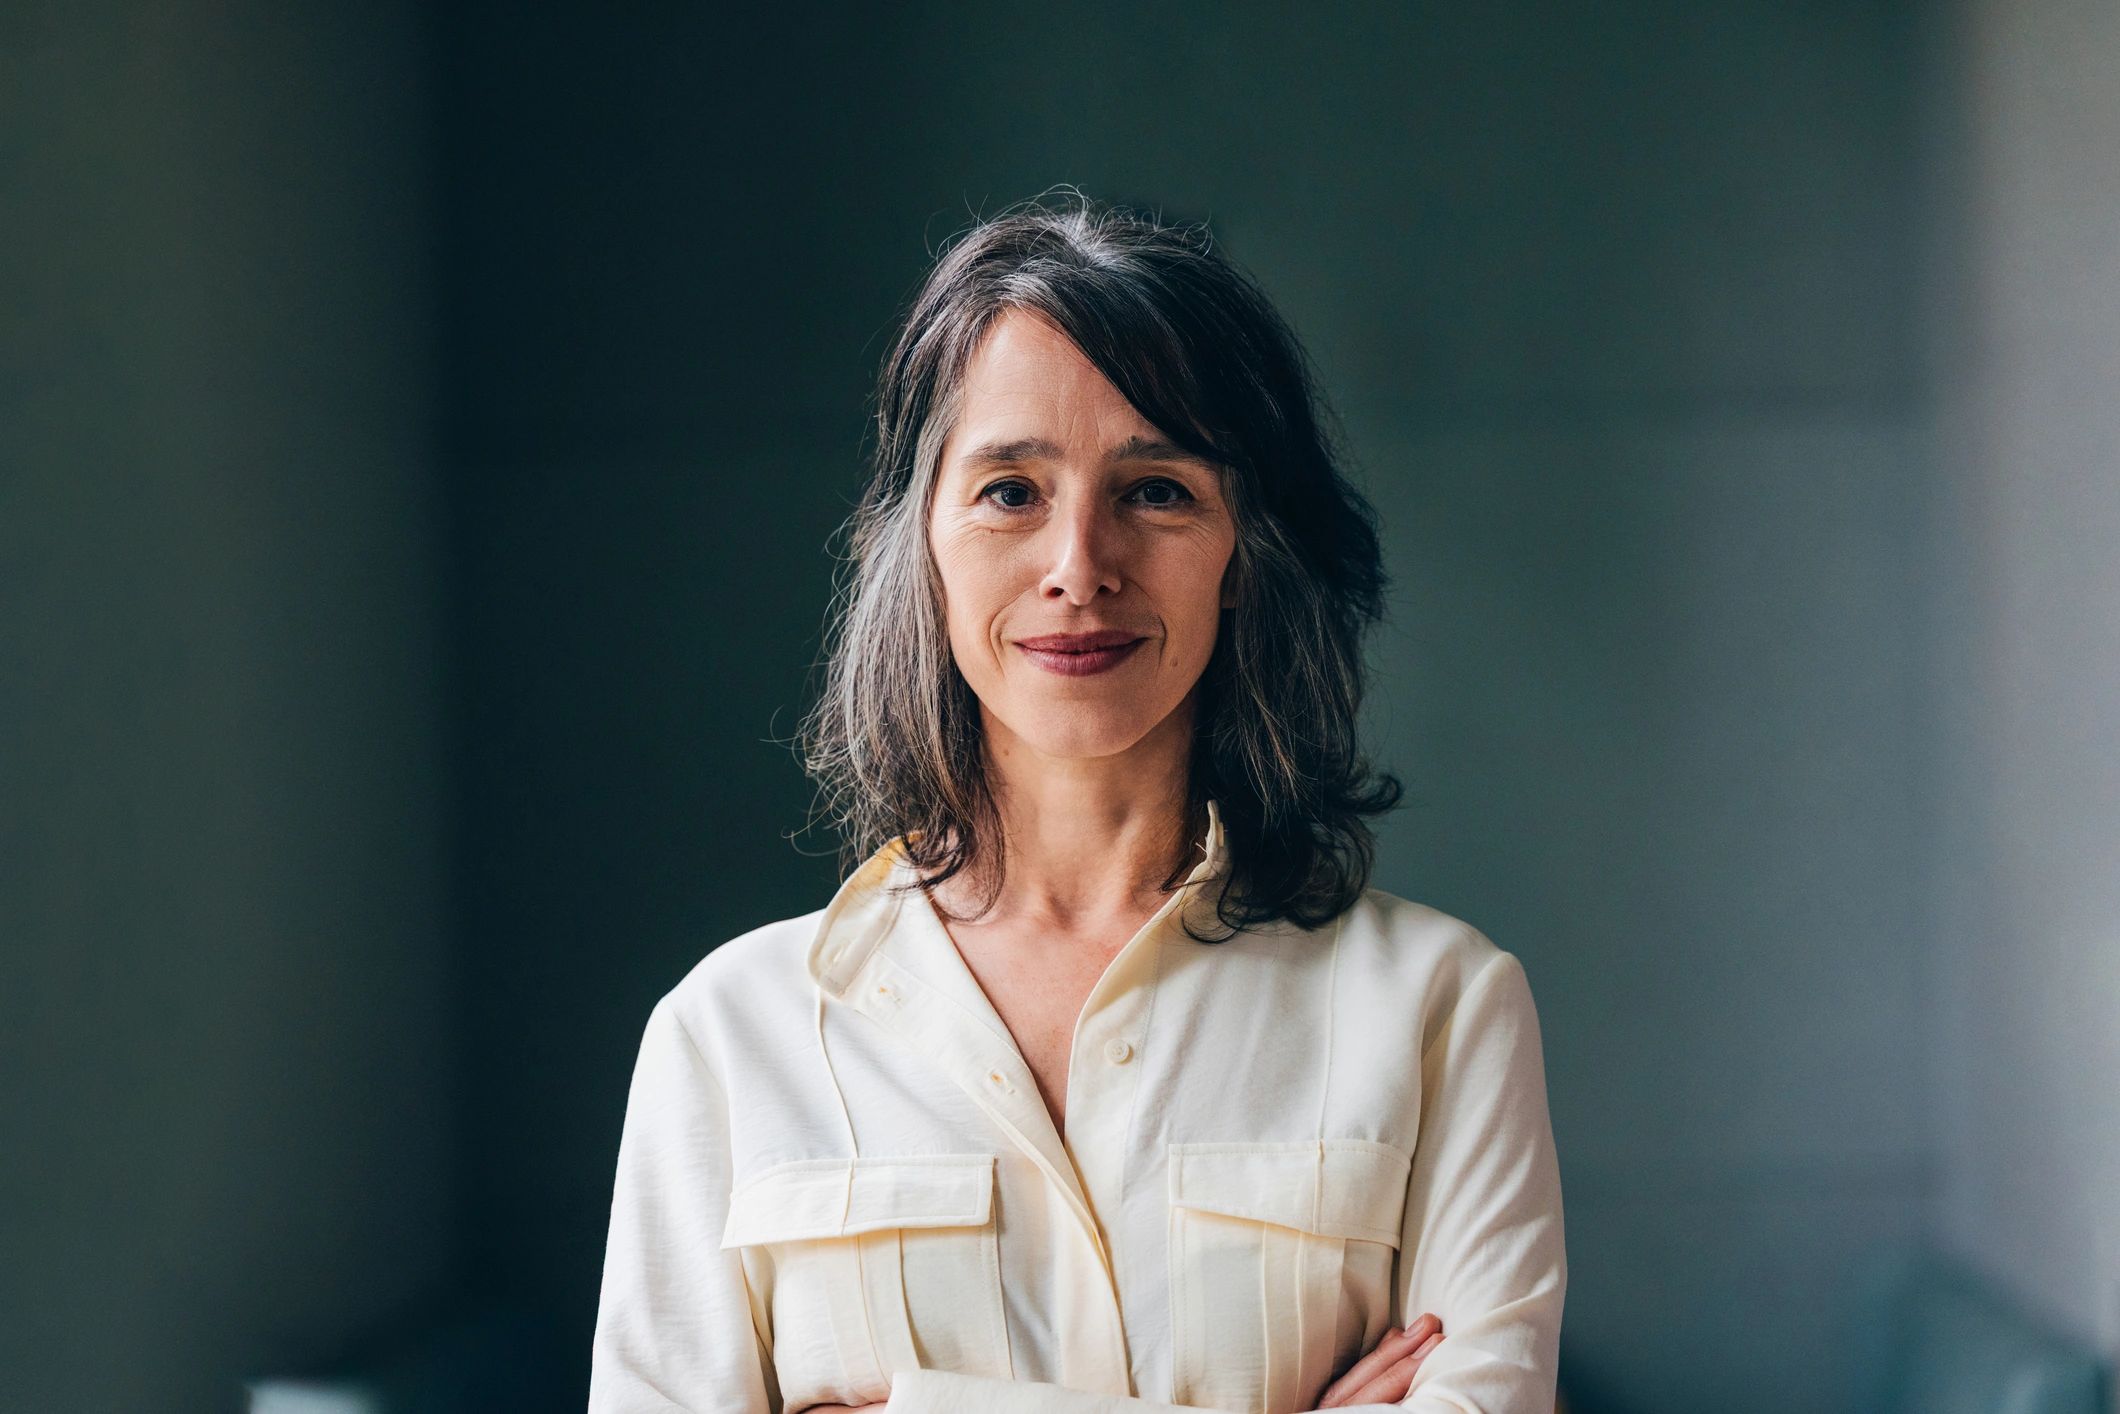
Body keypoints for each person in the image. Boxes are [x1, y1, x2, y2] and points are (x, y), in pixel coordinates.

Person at [587, 191, 1566, 1414]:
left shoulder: (1439, 1009)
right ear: (922, 543)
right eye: (1010, 489)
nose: (1077, 566)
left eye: (1156, 488)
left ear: (1243, 551)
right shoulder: (729, 1040)